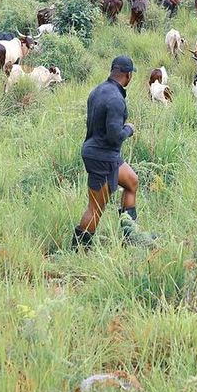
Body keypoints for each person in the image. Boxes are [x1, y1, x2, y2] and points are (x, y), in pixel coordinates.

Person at [71, 56, 156, 250]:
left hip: (104, 154)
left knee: (132, 181)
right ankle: (78, 249)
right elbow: (115, 136)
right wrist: (129, 129)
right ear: (128, 75)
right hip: (102, 156)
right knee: (96, 208)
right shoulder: (116, 100)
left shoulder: (97, 91)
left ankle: (130, 235)